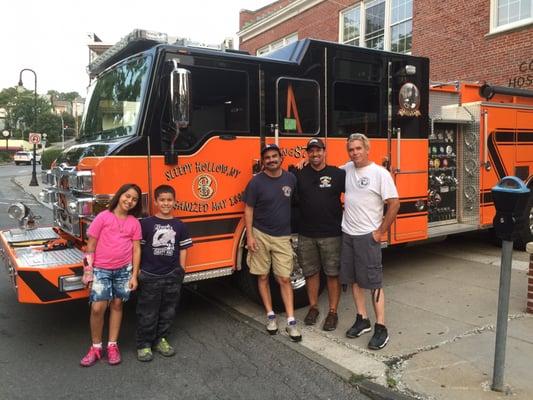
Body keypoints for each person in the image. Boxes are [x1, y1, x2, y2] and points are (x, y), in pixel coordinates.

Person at [341, 133, 400, 350]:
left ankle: (381, 327)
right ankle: (362, 319)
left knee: (373, 282)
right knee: (354, 279)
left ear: (367, 149)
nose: (354, 152)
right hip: (348, 234)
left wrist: (381, 231)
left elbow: (394, 204)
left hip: (368, 236)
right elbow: (325, 174)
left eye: (358, 148)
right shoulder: (346, 169)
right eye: (351, 149)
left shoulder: (379, 174)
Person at [80, 183, 143, 366]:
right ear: (119, 195)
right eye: (127, 196)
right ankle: (96, 347)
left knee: (116, 305)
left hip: (124, 271)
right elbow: (90, 247)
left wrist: (134, 276)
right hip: (101, 270)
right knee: (97, 308)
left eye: (134, 199)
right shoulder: (103, 217)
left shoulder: (134, 222)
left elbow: (136, 250)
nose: (129, 201)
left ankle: (112, 345)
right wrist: (88, 274)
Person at [244, 143, 301, 342]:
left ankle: (291, 321)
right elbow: (249, 209)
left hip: (282, 237)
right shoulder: (255, 183)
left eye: (274, 156)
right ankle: (271, 316)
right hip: (260, 234)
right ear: (263, 161)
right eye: (267, 157)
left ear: (281, 158)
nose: (271, 160)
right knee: (262, 277)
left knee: (284, 278)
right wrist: (250, 236)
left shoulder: (291, 178)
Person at [293, 138, 345, 331]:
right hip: (306, 234)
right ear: (307, 153)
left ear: (325, 152)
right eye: (311, 151)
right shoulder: (298, 173)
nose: (315, 154)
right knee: (311, 273)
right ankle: (313, 307)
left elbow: (356, 195)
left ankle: (333, 312)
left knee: (332, 274)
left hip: (332, 233)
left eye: (318, 151)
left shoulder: (338, 174)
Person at [136, 184, 192, 362]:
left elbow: (183, 248)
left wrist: (181, 269)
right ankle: (144, 344)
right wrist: (137, 270)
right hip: (150, 275)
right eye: (162, 200)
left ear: (175, 202)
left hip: (172, 275)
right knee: (147, 311)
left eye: (169, 200)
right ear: (155, 201)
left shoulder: (180, 225)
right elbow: (138, 248)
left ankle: (161, 340)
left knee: (168, 310)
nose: (166, 203)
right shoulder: (146, 224)